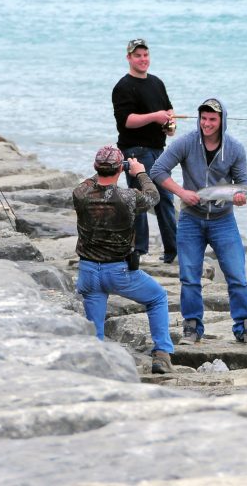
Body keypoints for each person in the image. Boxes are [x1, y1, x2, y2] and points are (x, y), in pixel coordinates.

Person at [150, 98, 247, 344]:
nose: (206, 124)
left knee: (237, 276)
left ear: (222, 121)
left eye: (212, 119)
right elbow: (158, 170)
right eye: (203, 119)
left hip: (223, 220)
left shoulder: (235, 148)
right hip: (190, 218)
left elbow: (244, 184)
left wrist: (240, 197)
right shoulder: (186, 142)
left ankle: (245, 326)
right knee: (189, 277)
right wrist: (181, 192)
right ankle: (192, 327)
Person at [72, 145, 175, 375]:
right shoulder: (128, 198)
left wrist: (109, 167)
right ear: (120, 169)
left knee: (95, 330)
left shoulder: (80, 193)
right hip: (119, 271)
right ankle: (162, 355)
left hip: (88, 271)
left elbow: (92, 181)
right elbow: (154, 196)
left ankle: (97, 368)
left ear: (95, 168)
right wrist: (139, 172)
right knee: (158, 297)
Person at [111, 38, 178, 264]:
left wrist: (169, 123)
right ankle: (140, 250)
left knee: (164, 199)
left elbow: (168, 110)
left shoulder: (157, 83)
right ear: (129, 58)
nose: (143, 59)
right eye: (137, 55)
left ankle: (171, 250)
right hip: (135, 151)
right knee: (144, 199)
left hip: (160, 150)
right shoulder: (123, 86)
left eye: (145, 55)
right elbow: (126, 121)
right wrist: (155, 116)